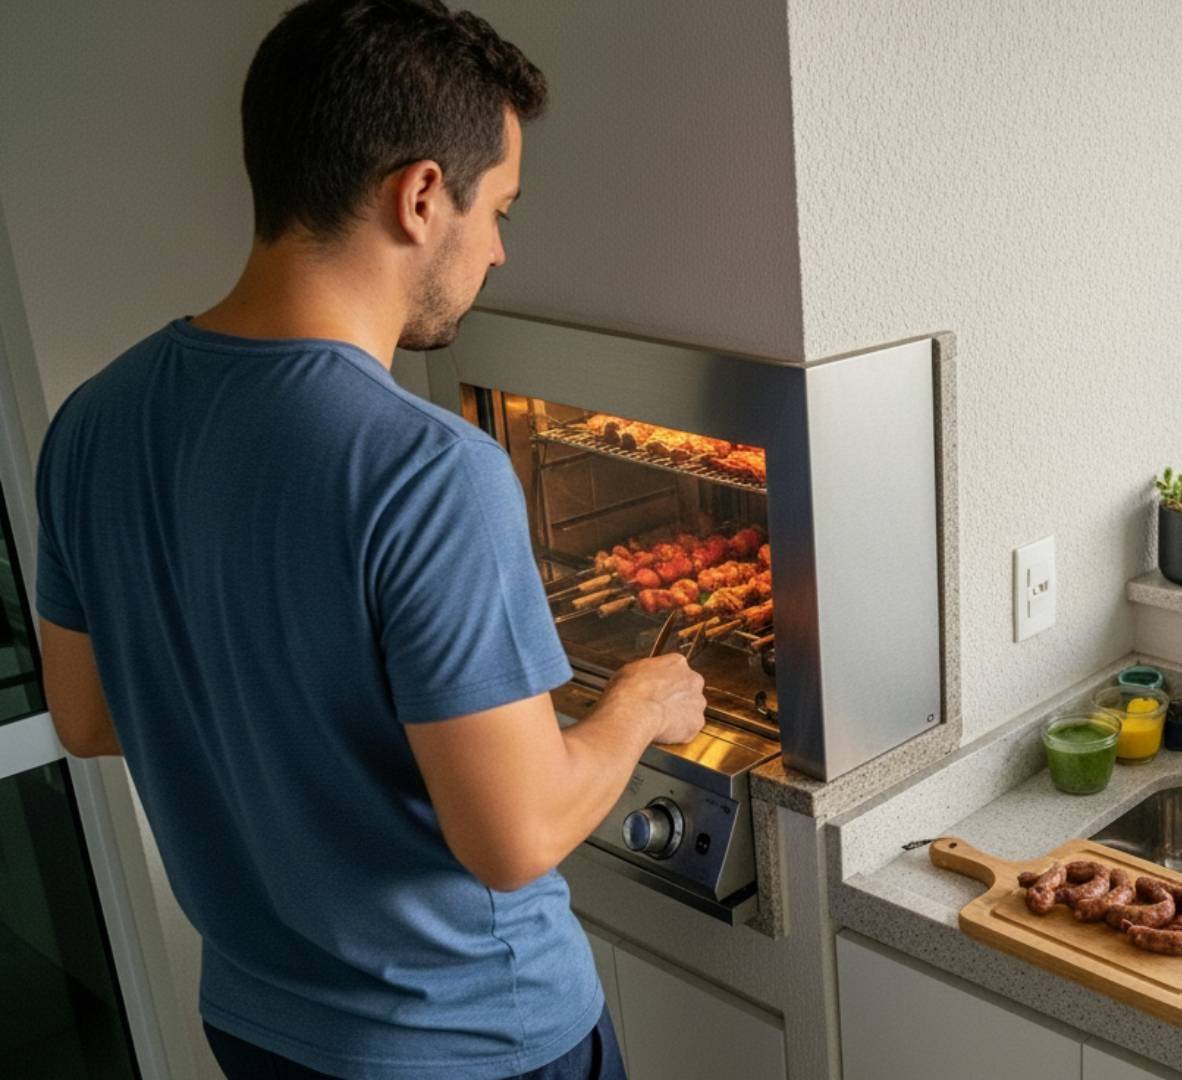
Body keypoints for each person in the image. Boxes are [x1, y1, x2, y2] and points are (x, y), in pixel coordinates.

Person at [33, 2, 705, 1077]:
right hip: (471, 1042)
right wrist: (638, 705)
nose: (493, 252)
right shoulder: (427, 469)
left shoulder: (94, 422)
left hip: (260, 1027)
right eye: (499, 211)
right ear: (422, 195)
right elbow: (516, 835)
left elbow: (88, 715)